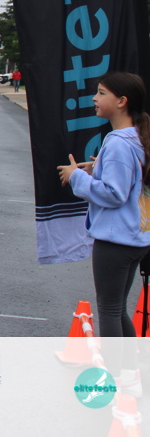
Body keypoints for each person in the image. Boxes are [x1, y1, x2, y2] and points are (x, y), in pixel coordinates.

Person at [57, 72, 150, 397]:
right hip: (135, 238)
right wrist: (97, 169)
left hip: (116, 240)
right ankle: (129, 377)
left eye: (101, 93)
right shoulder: (136, 137)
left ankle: (114, 380)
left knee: (109, 310)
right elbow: (128, 184)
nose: (94, 99)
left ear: (121, 101)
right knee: (118, 308)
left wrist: (77, 177)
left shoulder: (119, 142)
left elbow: (114, 194)